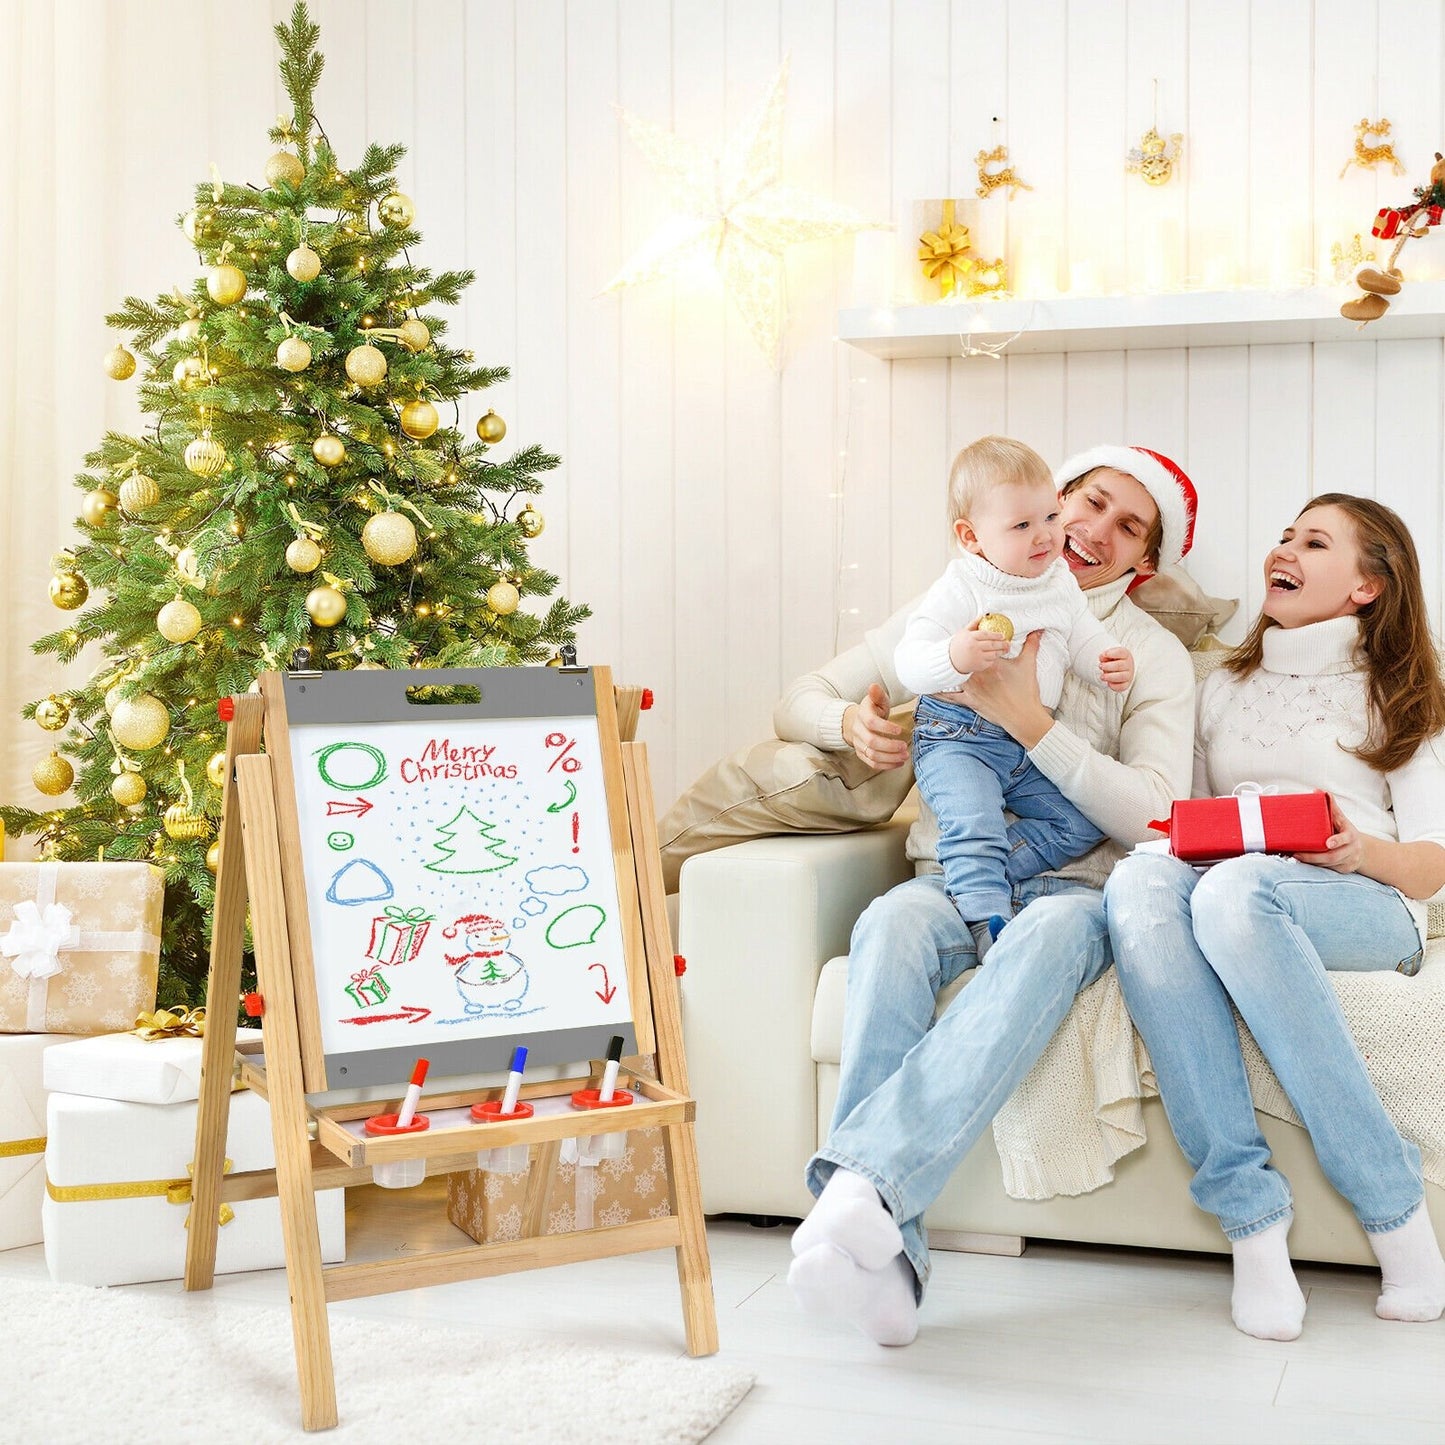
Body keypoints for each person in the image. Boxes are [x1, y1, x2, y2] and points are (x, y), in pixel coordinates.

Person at [779, 444, 1199, 1345]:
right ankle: (891, 1258)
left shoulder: (1147, 655)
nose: (1089, 529)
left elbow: (1158, 814)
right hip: (945, 877)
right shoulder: (963, 595)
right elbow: (800, 697)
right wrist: (845, 720)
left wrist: (1030, 722)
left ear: (1144, 562)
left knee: (1045, 938)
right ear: (1044, 505)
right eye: (1083, 502)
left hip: (1070, 890)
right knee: (888, 925)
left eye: (1128, 524)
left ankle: (860, 1186)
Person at [1103, 494, 1445, 1343]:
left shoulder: (1403, 694)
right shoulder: (1220, 685)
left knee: (1234, 890)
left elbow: (1433, 866)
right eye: (1285, 534)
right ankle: (1251, 1221)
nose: (1281, 550)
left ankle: (1393, 1206)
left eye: (1313, 541)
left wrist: (1355, 847)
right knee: (1141, 886)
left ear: (1367, 586)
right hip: (1234, 888)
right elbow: (1178, 816)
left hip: (1368, 904)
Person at [895, 436, 1134, 960]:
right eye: (1022, 526)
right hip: (958, 738)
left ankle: (981, 872)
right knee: (974, 823)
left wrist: (1106, 660)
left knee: (1080, 821)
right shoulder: (963, 585)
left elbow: (1081, 633)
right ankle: (986, 919)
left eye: (1050, 516)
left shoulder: (1058, 582)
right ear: (972, 536)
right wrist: (955, 654)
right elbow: (908, 660)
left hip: (1024, 746)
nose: (1046, 536)